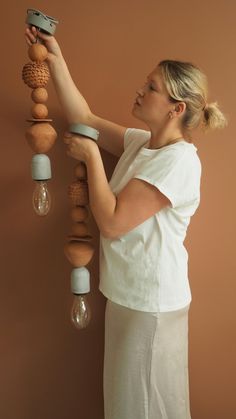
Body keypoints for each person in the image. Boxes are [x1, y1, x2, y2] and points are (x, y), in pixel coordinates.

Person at [25, 26, 227, 419]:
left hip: (152, 305)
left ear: (176, 108)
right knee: (127, 405)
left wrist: (93, 158)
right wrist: (54, 55)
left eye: (150, 87)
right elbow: (82, 116)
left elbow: (115, 222)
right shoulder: (141, 144)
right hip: (128, 297)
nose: (140, 90)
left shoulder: (180, 161)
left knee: (145, 408)